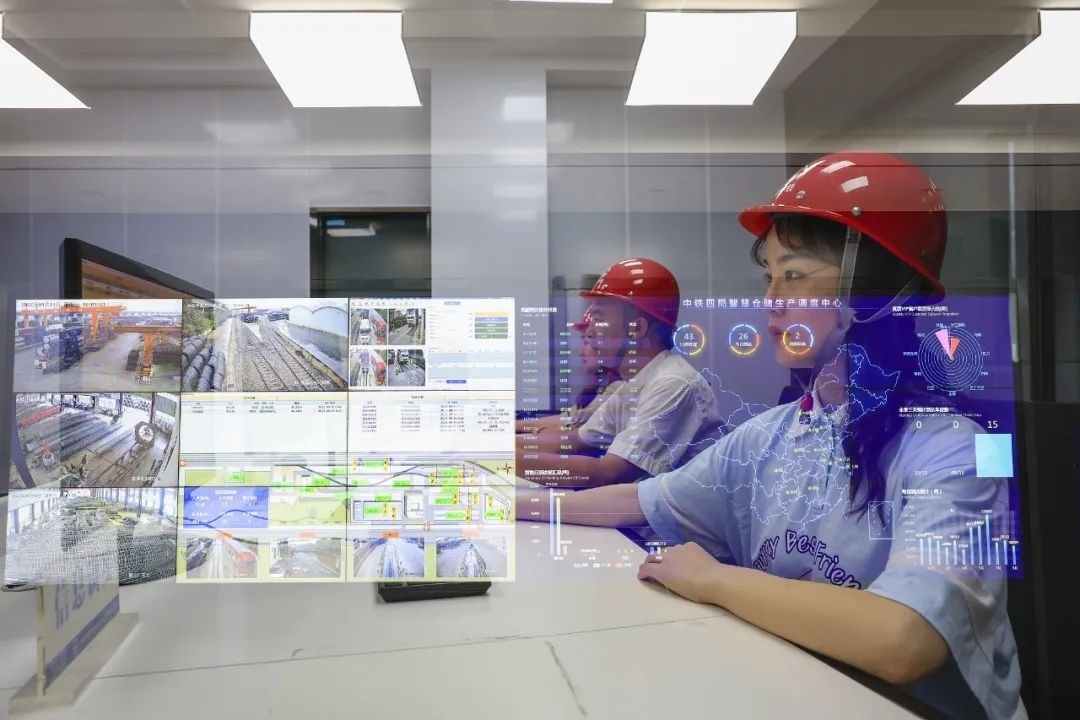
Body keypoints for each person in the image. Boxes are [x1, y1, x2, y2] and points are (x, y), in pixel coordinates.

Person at [520, 153, 1025, 720]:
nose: (771, 300)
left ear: (874, 290)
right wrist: (502, 504)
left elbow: (905, 640)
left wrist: (716, 580)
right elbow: (638, 499)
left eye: (795, 274)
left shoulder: (959, 449)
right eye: (770, 277)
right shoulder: (777, 432)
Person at [517, 258, 727, 488]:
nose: (590, 331)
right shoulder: (633, 385)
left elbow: (609, 472)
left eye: (598, 320)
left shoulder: (672, 384)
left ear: (636, 328)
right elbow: (575, 439)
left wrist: (503, 459)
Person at [515, 307, 625, 435]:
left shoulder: (617, 386)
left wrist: (537, 431)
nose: (580, 352)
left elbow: (573, 425)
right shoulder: (601, 385)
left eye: (587, 341)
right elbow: (570, 418)